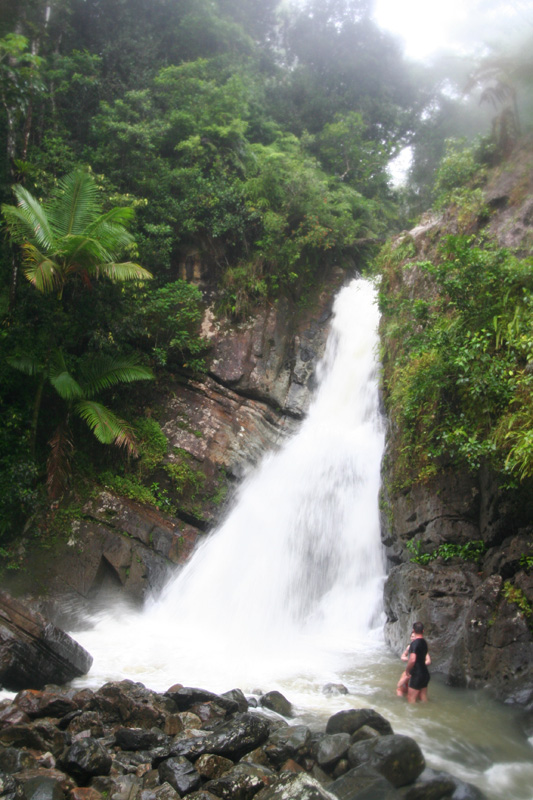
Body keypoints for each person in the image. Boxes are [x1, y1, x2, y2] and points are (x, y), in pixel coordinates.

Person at [400, 621, 431, 703]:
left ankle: (412, 715)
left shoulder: (414, 644)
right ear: (423, 631)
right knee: (423, 697)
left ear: (413, 630)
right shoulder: (424, 642)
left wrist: (407, 670)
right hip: (425, 673)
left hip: (417, 674)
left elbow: (412, 659)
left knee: (411, 698)